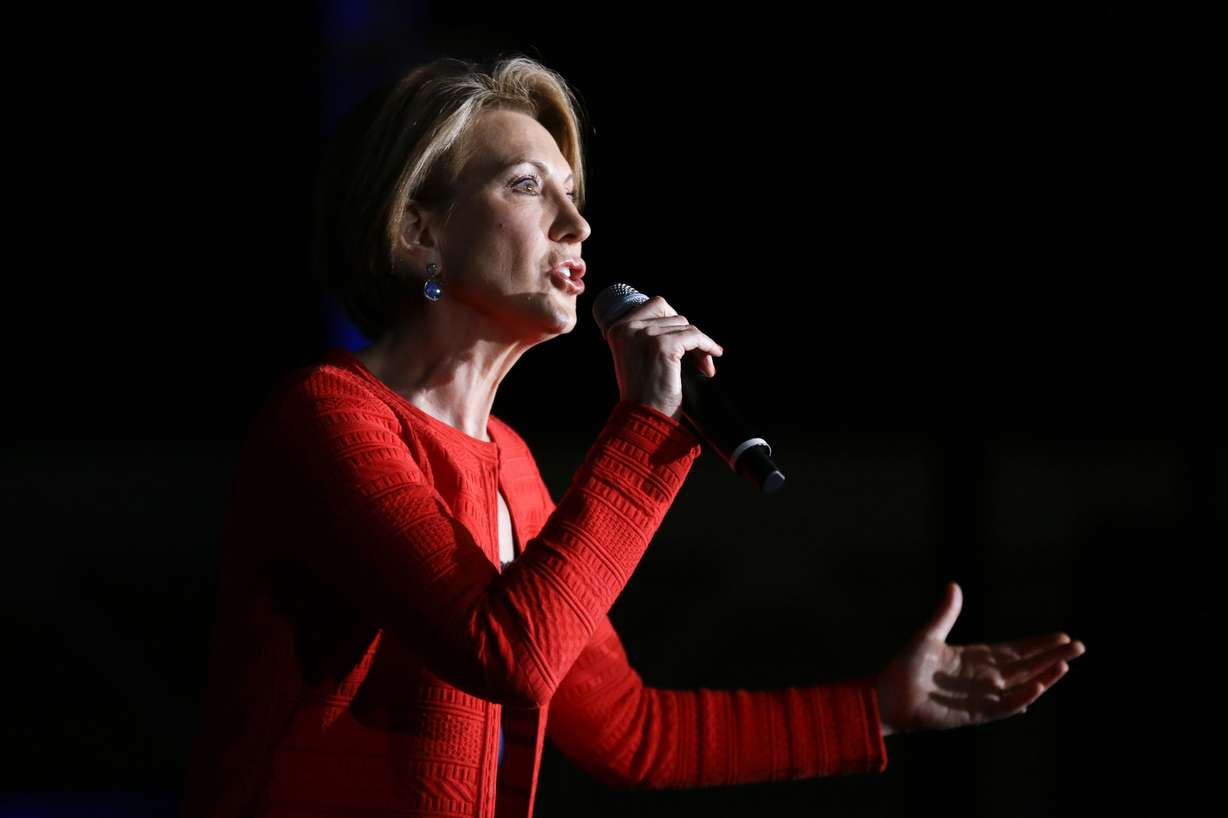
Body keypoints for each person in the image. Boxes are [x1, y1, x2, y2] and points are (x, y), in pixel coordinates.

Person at [179, 54, 1086, 818]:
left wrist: (878, 708)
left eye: (574, 195)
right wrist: (645, 427)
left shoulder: (516, 474)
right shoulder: (328, 419)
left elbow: (629, 732)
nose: (578, 226)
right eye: (528, 187)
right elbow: (507, 654)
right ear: (420, 231)